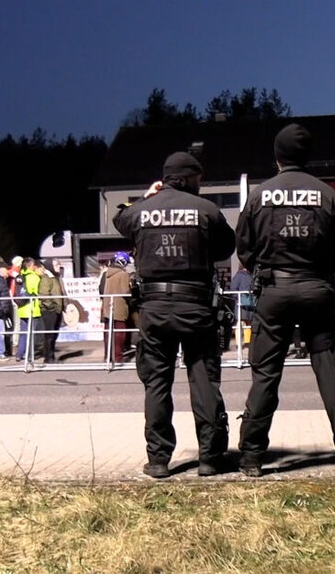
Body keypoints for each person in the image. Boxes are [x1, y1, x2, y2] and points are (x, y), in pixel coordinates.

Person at [236, 123, 335, 477]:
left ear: (277, 157)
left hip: (274, 292)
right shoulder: (329, 195)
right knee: (329, 370)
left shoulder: (260, 195)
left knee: (266, 375)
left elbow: (245, 249)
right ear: (307, 156)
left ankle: (251, 457)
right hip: (317, 289)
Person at [114, 151, 237, 478]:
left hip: (154, 310)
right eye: (199, 177)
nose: (202, 183)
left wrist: (146, 197)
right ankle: (210, 458)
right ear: (186, 178)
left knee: (156, 383)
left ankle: (158, 460)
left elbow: (119, 220)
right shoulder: (207, 210)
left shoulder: (141, 211)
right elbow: (226, 248)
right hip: (196, 308)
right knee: (204, 381)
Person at [99, 252, 132, 363]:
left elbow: (100, 289)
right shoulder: (123, 274)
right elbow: (125, 292)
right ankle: (118, 358)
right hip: (119, 307)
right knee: (119, 333)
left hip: (107, 306)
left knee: (108, 332)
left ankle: (107, 357)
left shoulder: (106, 273)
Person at [14, 258, 44, 364]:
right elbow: (37, 291)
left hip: (22, 308)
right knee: (32, 333)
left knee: (23, 333)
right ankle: (30, 355)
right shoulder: (34, 277)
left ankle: (19, 354)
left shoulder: (20, 276)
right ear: (30, 266)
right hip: (32, 308)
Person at [39, 258, 65, 363]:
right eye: (56, 265)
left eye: (59, 264)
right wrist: (52, 307)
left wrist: (64, 305)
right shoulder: (46, 278)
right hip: (49, 311)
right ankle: (48, 357)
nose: (59, 266)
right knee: (49, 335)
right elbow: (44, 295)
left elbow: (62, 293)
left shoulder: (57, 278)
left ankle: (52, 356)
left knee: (54, 334)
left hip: (57, 310)